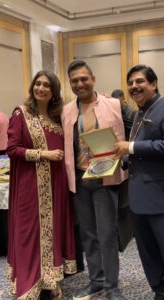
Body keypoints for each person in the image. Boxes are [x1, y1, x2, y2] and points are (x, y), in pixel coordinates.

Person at [114, 64, 164, 300]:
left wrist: (129, 147)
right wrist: (122, 160)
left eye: (139, 81)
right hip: (138, 200)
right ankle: (161, 294)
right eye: (130, 83)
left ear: (153, 83)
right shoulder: (139, 113)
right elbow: (142, 153)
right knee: (148, 255)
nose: (134, 87)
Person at [7, 70, 76, 300]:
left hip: (56, 187)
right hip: (29, 188)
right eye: (38, 84)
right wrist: (43, 154)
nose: (41, 88)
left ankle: (50, 280)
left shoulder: (58, 119)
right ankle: (29, 284)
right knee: (30, 233)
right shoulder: (21, 113)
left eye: (47, 85)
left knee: (52, 232)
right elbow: (12, 149)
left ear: (54, 92)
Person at [61, 60, 128, 300]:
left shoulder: (114, 105)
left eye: (83, 79)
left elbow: (132, 132)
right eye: (74, 81)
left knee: (107, 234)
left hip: (105, 178)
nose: (80, 84)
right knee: (88, 234)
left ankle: (112, 286)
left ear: (93, 79)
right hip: (79, 180)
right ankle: (96, 281)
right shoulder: (67, 110)